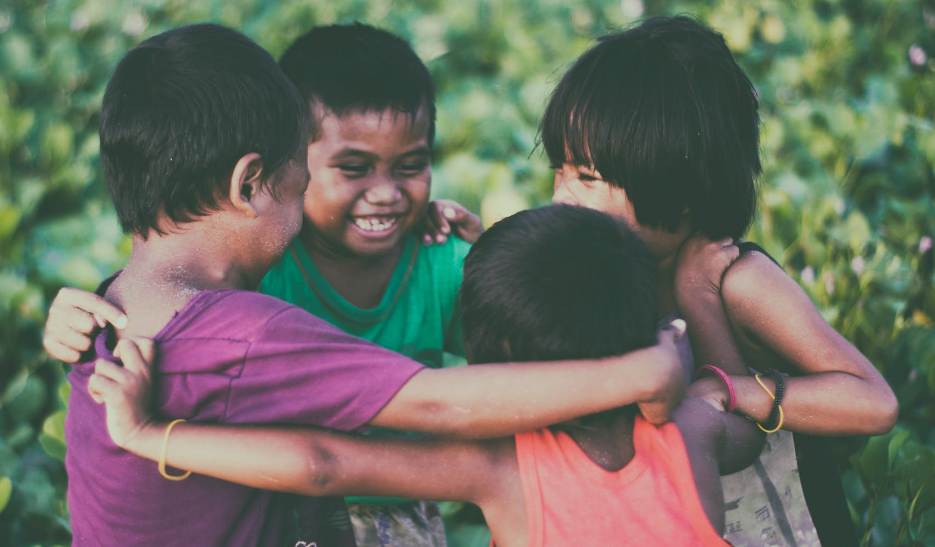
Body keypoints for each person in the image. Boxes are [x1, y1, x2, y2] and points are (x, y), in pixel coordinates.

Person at [61, 23, 687, 547]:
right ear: (249, 185)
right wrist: (639, 374)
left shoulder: (115, 304)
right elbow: (432, 404)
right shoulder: (242, 333)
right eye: (300, 185)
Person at [87, 204, 763, 547]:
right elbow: (749, 427)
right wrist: (691, 320)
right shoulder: (696, 430)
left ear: (492, 368)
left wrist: (150, 434)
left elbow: (319, 462)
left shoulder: (500, 465)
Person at [47, 23, 479, 546]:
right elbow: (345, 449)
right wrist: (494, 473)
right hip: (304, 509)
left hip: (392, 507)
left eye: (411, 166)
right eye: (351, 168)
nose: (385, 194)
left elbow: (517, 344)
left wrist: (498, 263)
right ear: (258, 179)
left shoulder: (441, 262)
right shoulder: (257, 278)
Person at [539, 16, 898, 546]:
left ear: (682, 196)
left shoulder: (740, 282)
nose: (561, 197)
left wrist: (736, 389)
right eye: (560, 169)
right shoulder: (605, 270)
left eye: (587, 178)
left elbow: (874, 403)